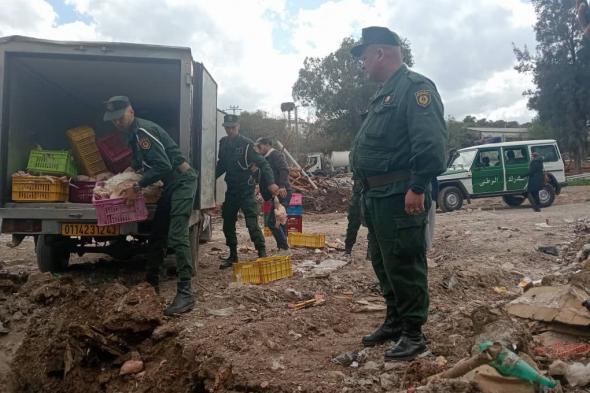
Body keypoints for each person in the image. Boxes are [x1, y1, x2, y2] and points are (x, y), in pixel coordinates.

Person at [350, 26, 448, 361]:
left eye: (364, 56)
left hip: (400, 194)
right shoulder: (383, 94)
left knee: (405, 262)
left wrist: (418, 185)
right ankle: (394, 321)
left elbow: (431, 144)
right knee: (383, 261)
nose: (362, 64)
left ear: (380, 53)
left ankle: (413, 334)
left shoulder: (415, 88)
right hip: (377, 196)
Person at [103, 96, 198, 316]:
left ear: (131, 112)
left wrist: (136, 187)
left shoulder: (143, 132)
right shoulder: (132, 135)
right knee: (158, 233)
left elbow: (163, 166)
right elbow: (140, 164)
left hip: (183, 181)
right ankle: (150, 282)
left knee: (177, 234)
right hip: (171, 183)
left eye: (120, 117)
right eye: (113, 119)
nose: (117, 122)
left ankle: (186, 293)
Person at [216, 114, 278, 269]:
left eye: (233, 127)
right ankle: (233, 255)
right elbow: (221, 165)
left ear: (238, 127)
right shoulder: (223, 144)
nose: (230, 130)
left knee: (252, 223)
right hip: (231, 190)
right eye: (227, 128)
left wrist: (270, 183)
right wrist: (207, 179)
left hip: (246, 190)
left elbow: (264, 165)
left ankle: (262, 253)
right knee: (228, 222)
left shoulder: (247, 145)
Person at [254, 137, 292, 254]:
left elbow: (284, 170)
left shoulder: (276, 155)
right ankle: (283, 246)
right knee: (279, 220)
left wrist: (281, 185)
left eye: (259, 146)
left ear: (267, 145)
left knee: (272, 221)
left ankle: (285, 248)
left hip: (281, 192)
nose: (258, 149)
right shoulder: (264, 158)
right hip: (274, 195)